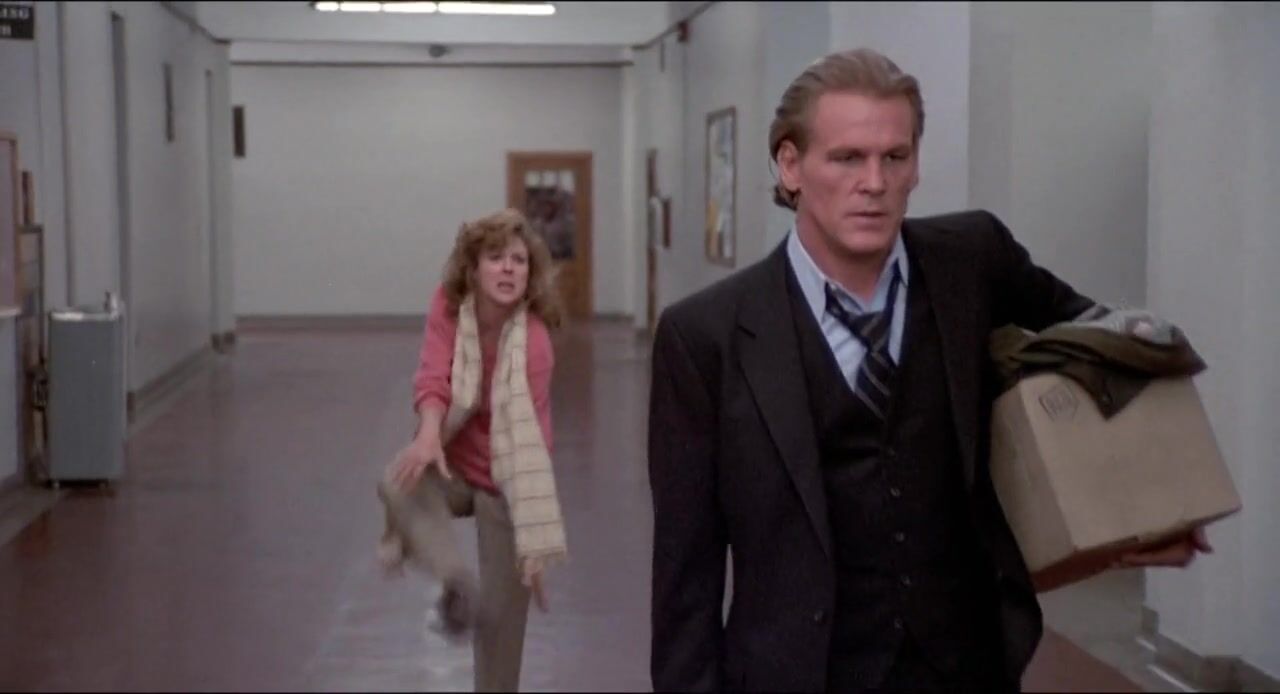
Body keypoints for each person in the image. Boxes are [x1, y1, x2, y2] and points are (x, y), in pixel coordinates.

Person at [647, 48, 1211, 693]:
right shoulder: (707, 336)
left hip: (965, 664)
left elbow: (1107, 345)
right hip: (799, 673)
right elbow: (685, 572)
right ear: (791, 165)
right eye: (847, 158)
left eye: (895, 156)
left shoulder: (972, 261)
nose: (874, 182)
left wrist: (1155, 501)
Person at [378, 208, 568, 693]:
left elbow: (532, 446)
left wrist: (534, 542)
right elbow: (433, 375)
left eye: (519, 260)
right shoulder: (448, 306)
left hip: (507, 482)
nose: (508, 268)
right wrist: (427, 436)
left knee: (502, 624)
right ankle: (456, 583)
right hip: (456, 467)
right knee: (398, 480)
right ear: (473, 267)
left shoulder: (535, 343)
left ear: (530, 273)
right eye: (496, 257)